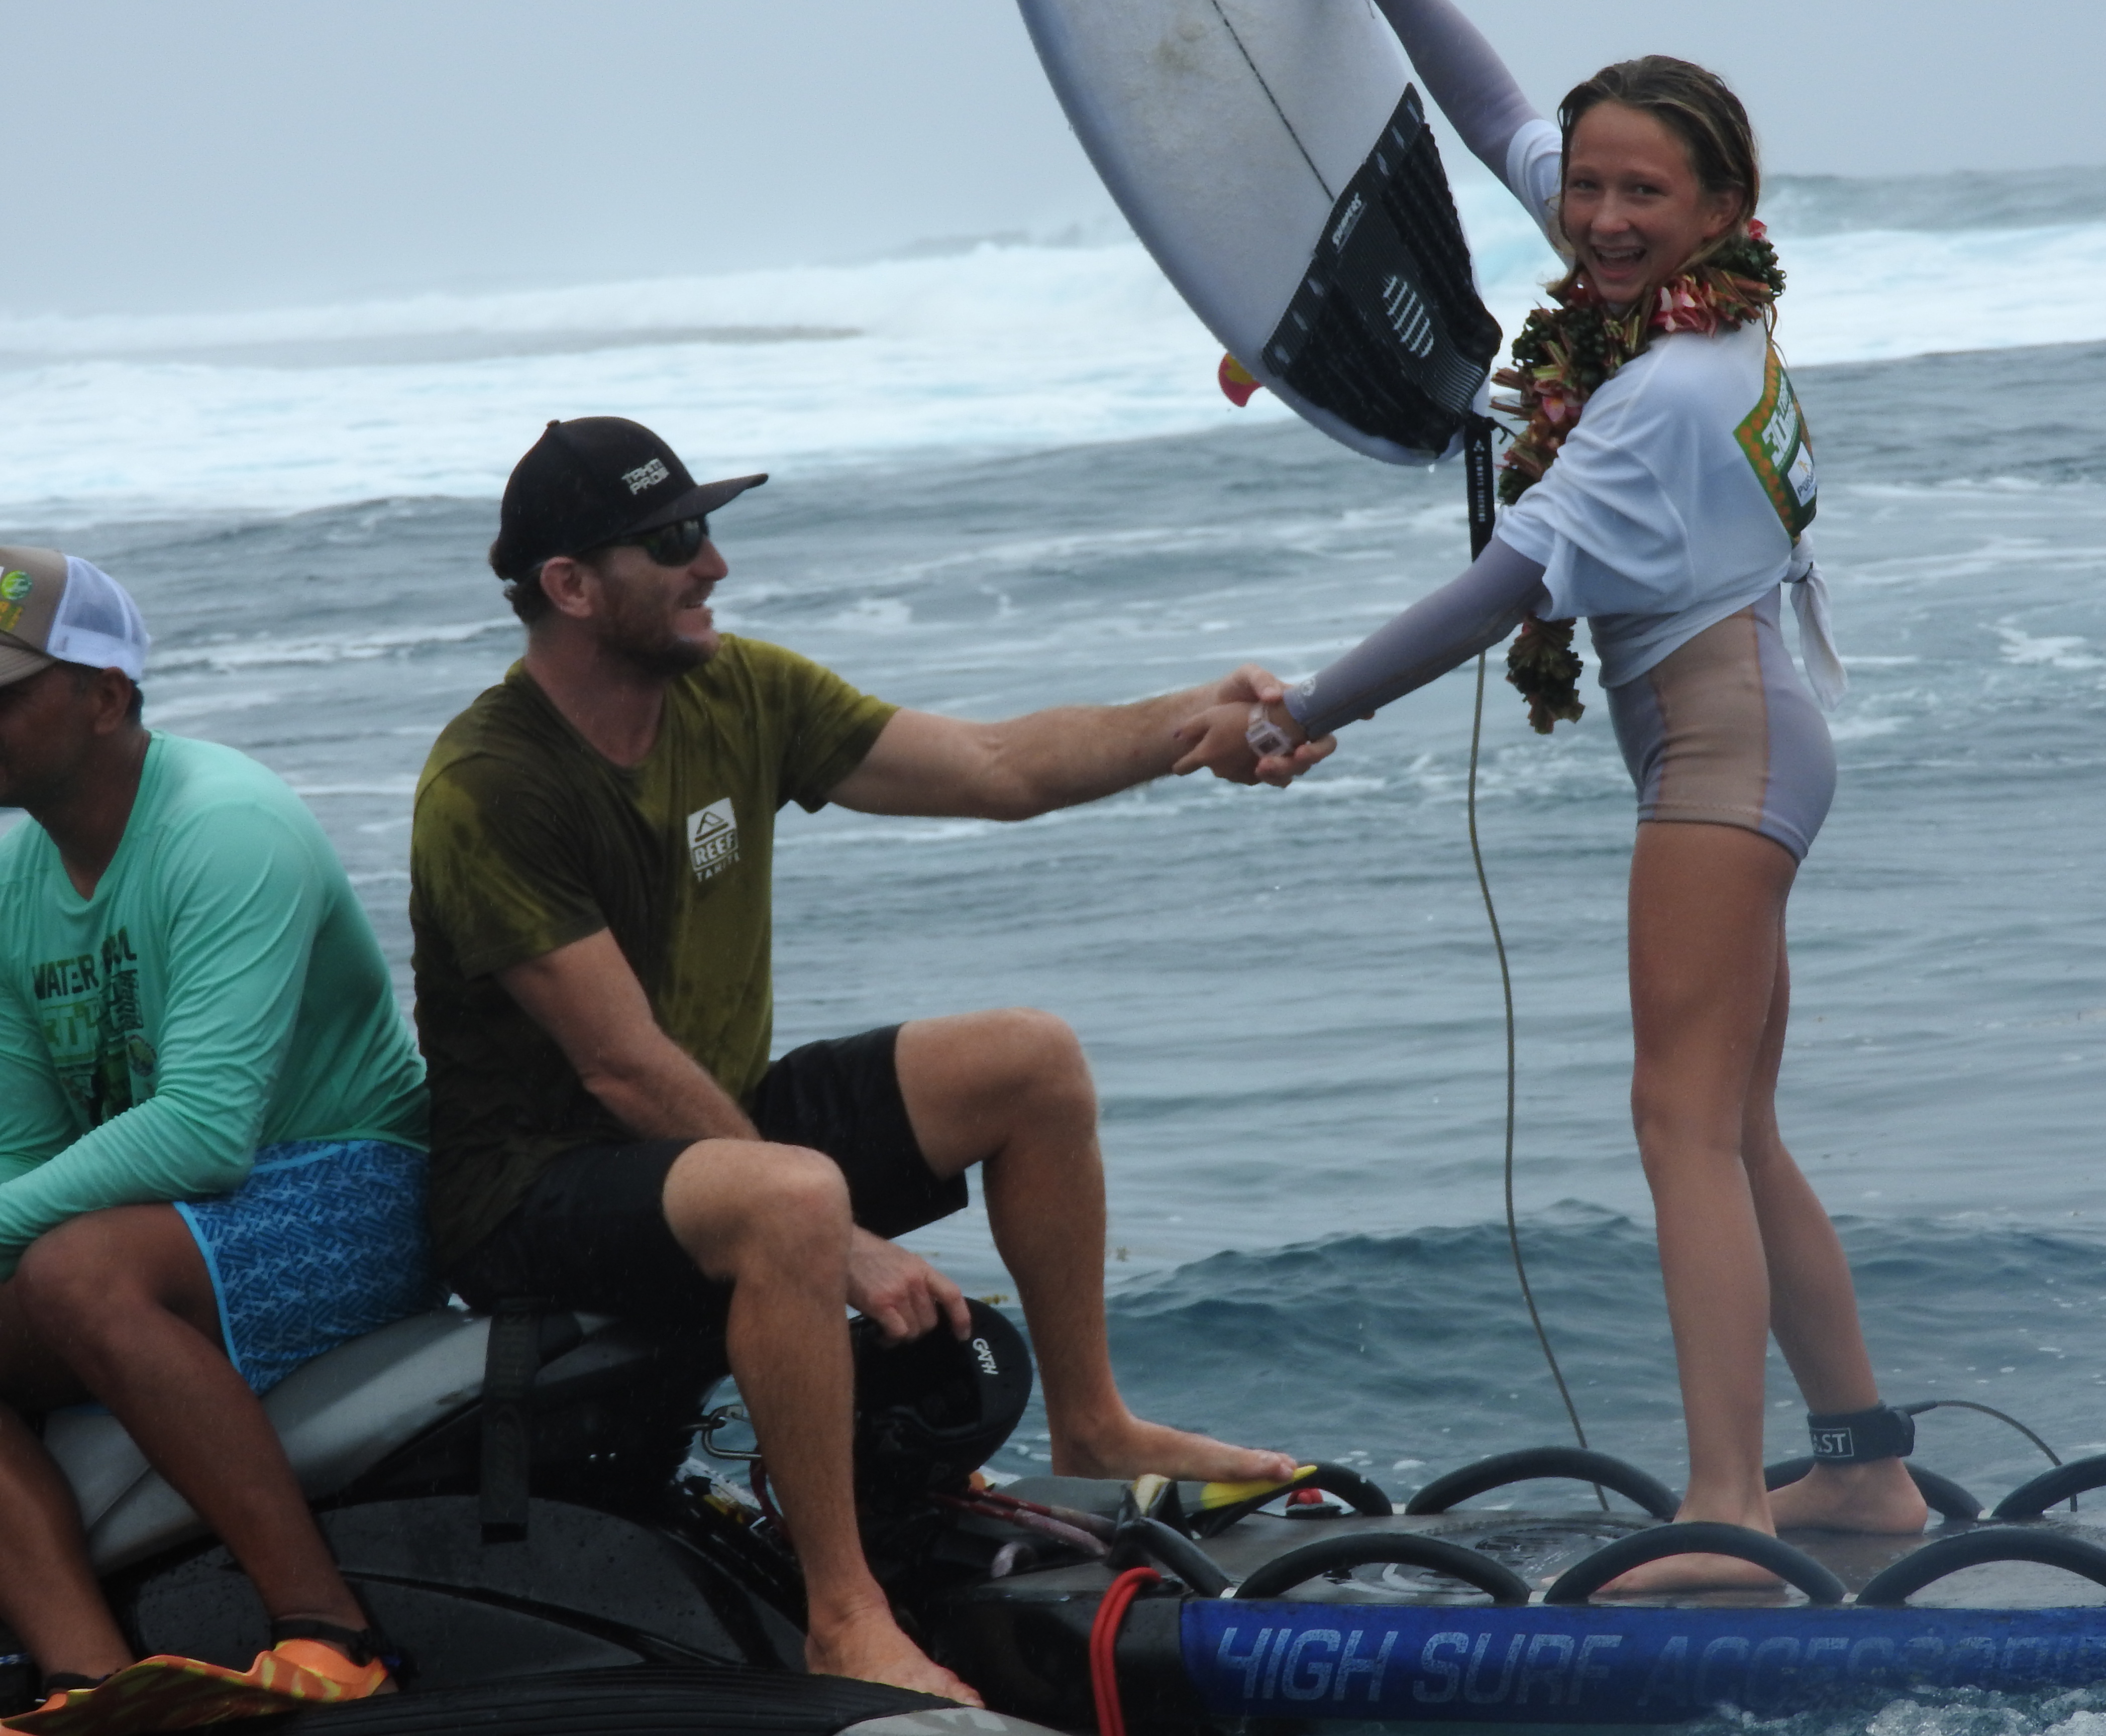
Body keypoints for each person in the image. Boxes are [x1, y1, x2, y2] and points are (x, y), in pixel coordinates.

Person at [1177, 1, 1928, 1592]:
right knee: (1736, 1124)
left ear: (1722, 212)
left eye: (1640, 197)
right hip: (1745, 726)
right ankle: (1867, 1482)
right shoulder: (1664, 302)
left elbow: (1494, 591)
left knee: (1681, 1124)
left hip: (1724, 747)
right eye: (1586, 188)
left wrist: (1301, 715)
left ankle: (1725, 1506)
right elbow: (1492, 105)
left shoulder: (1656, 394)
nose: (1597, 217)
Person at [410, 417, 1317, 1702]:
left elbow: (998, 768)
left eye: (708, 529)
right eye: (673, 542)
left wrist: (1201, 720)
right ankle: (847, 1617)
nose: (713, 563)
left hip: (705, 1126)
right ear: (568, 585)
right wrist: (839, 1242)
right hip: (536, 1184)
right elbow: (617, 1069)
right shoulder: (489, 783)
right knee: (792, 1198)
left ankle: (1095, 1423)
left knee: (1029, 1062)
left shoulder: (739, 693)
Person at [0, 550, 432, 1724]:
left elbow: (202, 1133)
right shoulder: (6, 874)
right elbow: (25, 1152)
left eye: (3, 694)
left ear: (106, 696)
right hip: (162, 1221)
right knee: (58, 1258)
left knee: (72, 1270)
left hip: (353, 1179)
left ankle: (331, 1633)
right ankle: (84, 1679)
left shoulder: (225, 825)